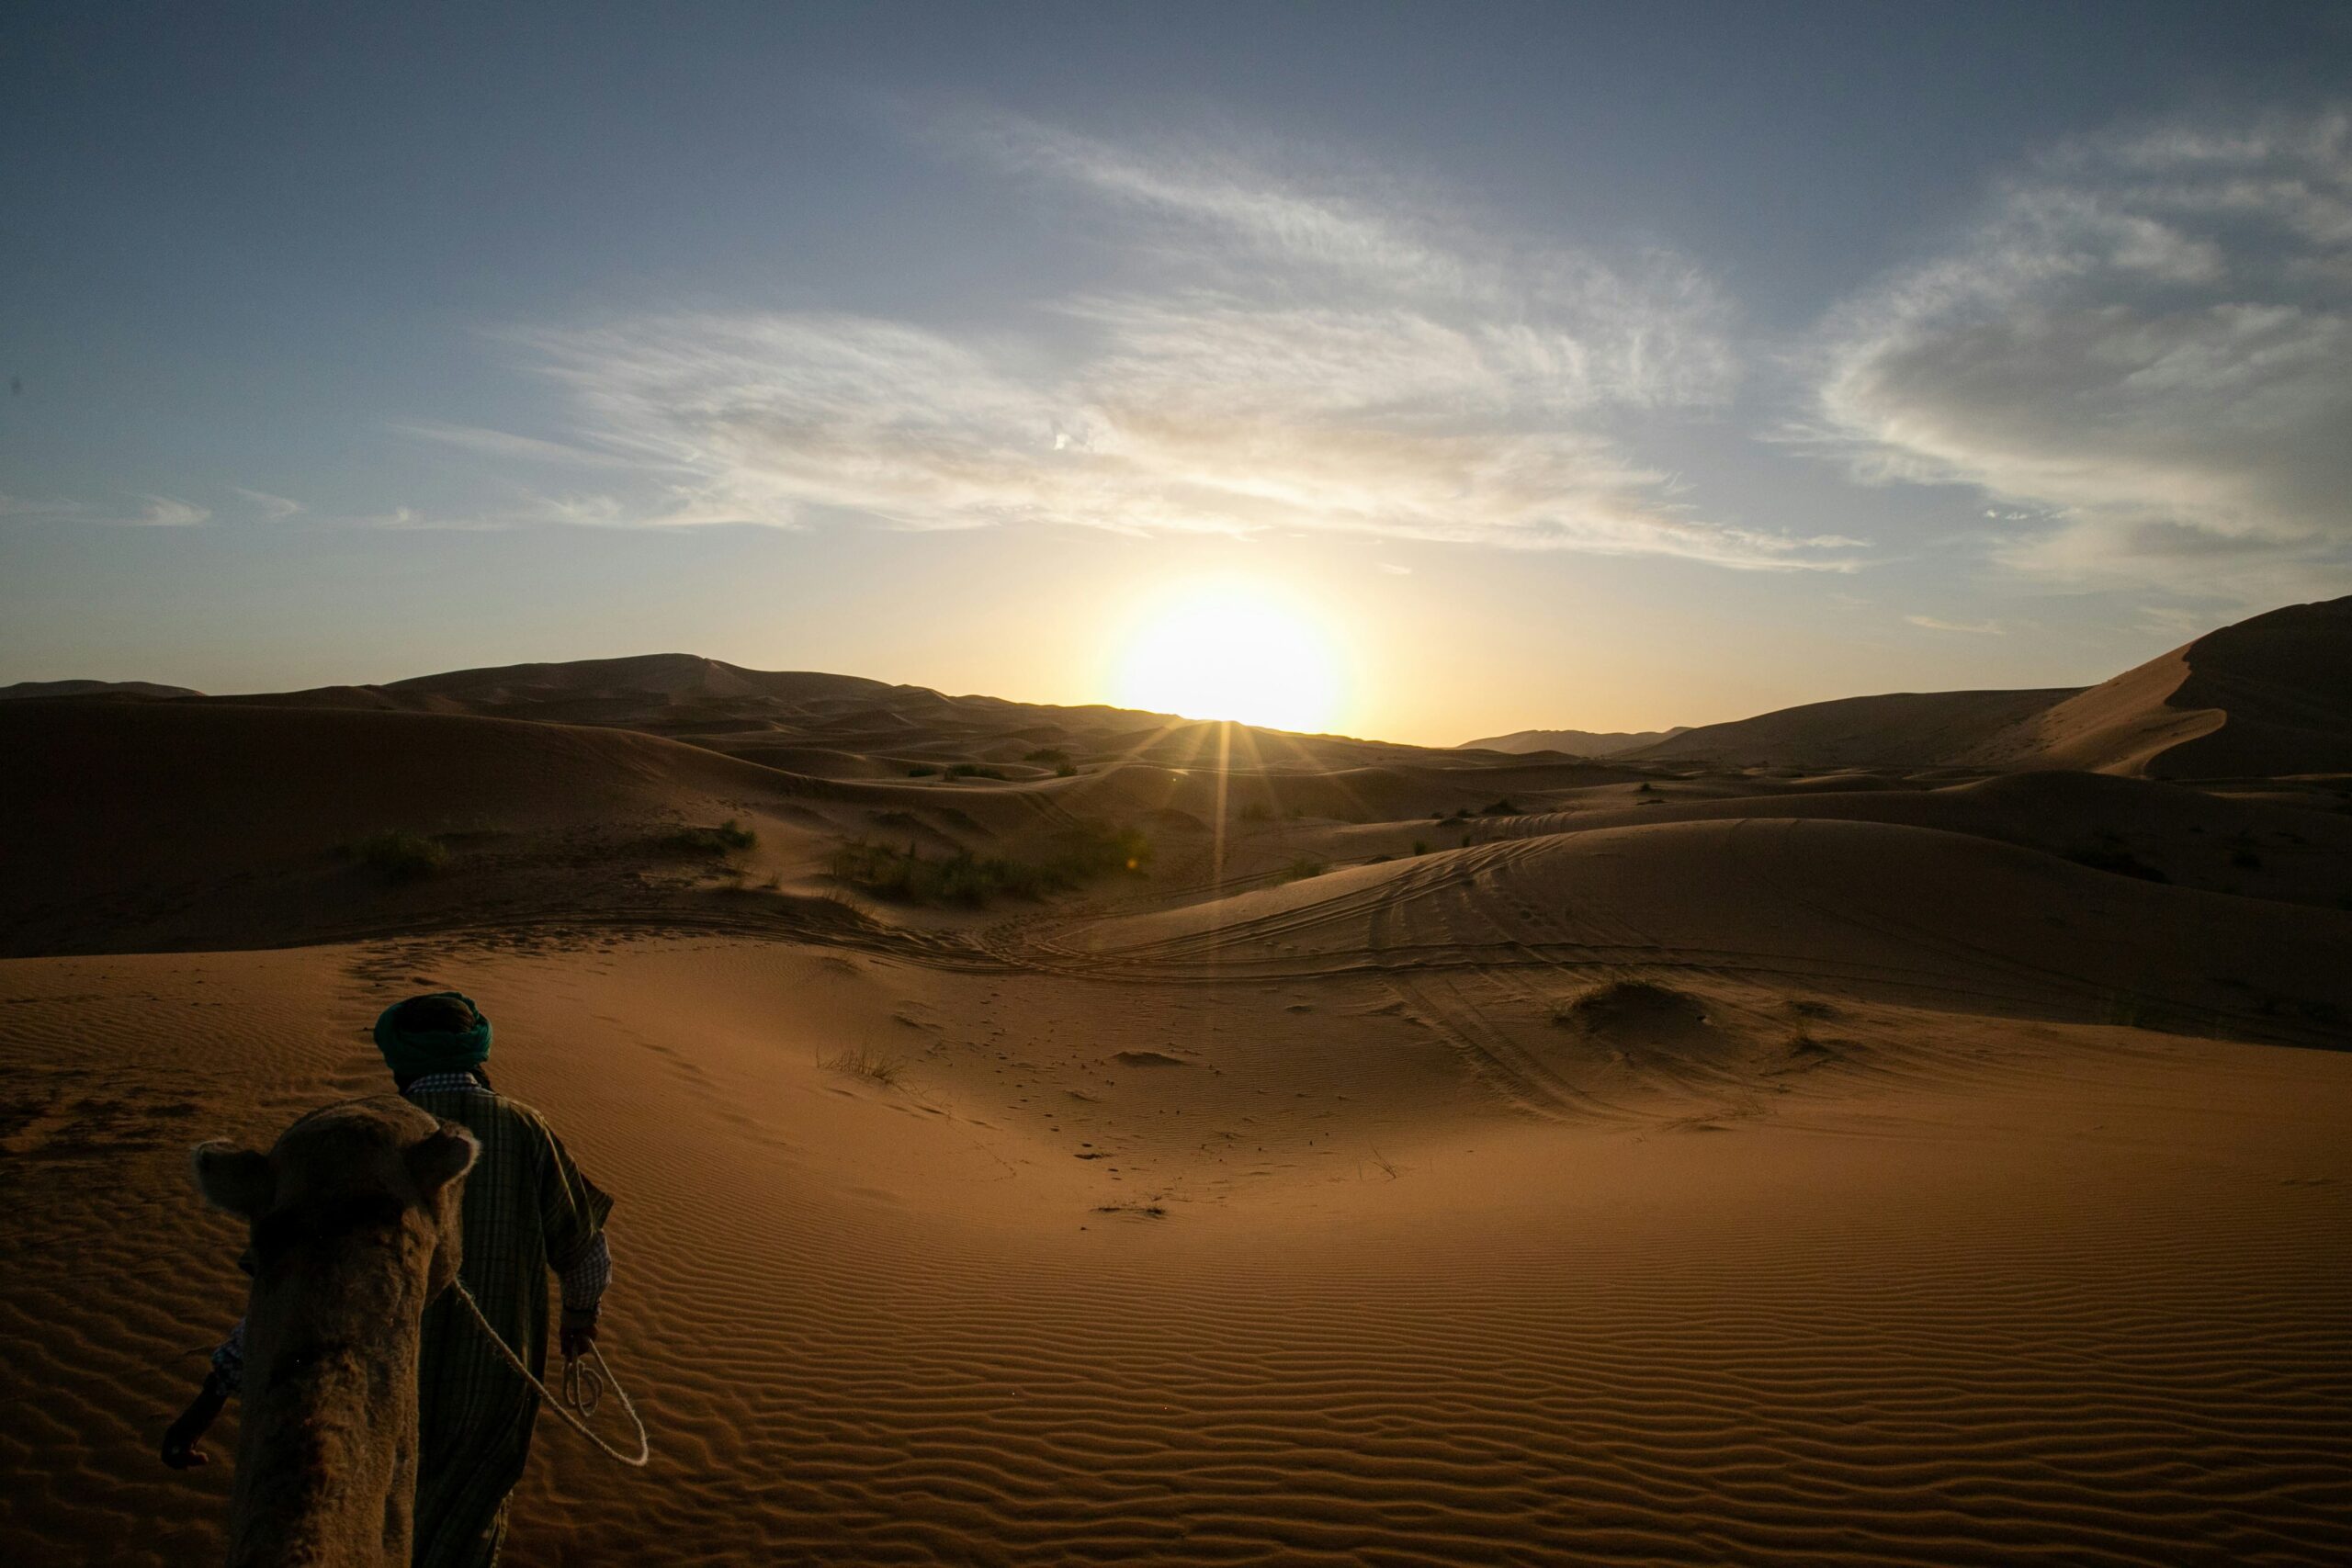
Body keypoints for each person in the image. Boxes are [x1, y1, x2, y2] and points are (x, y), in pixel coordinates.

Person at [164, 991, 615, 1568]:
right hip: (491, 1385)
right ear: (477, 1051)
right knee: (467, 1528)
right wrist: (582, 1319)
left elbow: (300, 1291)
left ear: (398, 1058)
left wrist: (211, 1396)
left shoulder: (354, 1136)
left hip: (375, 1391)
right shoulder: (526, 1128)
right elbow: (585, 1251)